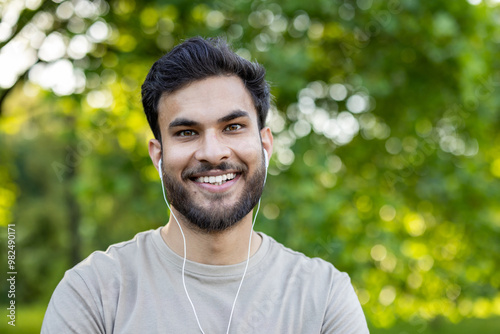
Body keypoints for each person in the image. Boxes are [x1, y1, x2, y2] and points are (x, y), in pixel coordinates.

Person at [42, 36, 369, 333]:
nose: (213, 153)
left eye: (233, 127)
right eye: (186, 132)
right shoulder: (93, 293)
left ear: (265, 145)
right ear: (158, 155)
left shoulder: (323, 295)